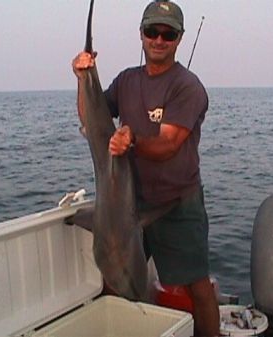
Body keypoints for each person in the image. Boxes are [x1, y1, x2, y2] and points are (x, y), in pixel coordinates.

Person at [72, 1, 220, 336]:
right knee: (114, 280)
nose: (159, 39)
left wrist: (132, 140)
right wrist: (84, 78)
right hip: (130, 202)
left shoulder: (187, 86)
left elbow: (168, 144)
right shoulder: (126, 80)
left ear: (179, 39)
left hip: (176, 202)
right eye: (152, 31)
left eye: (168, 34)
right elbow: (91, 119)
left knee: (197, 286)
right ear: (141, 34)